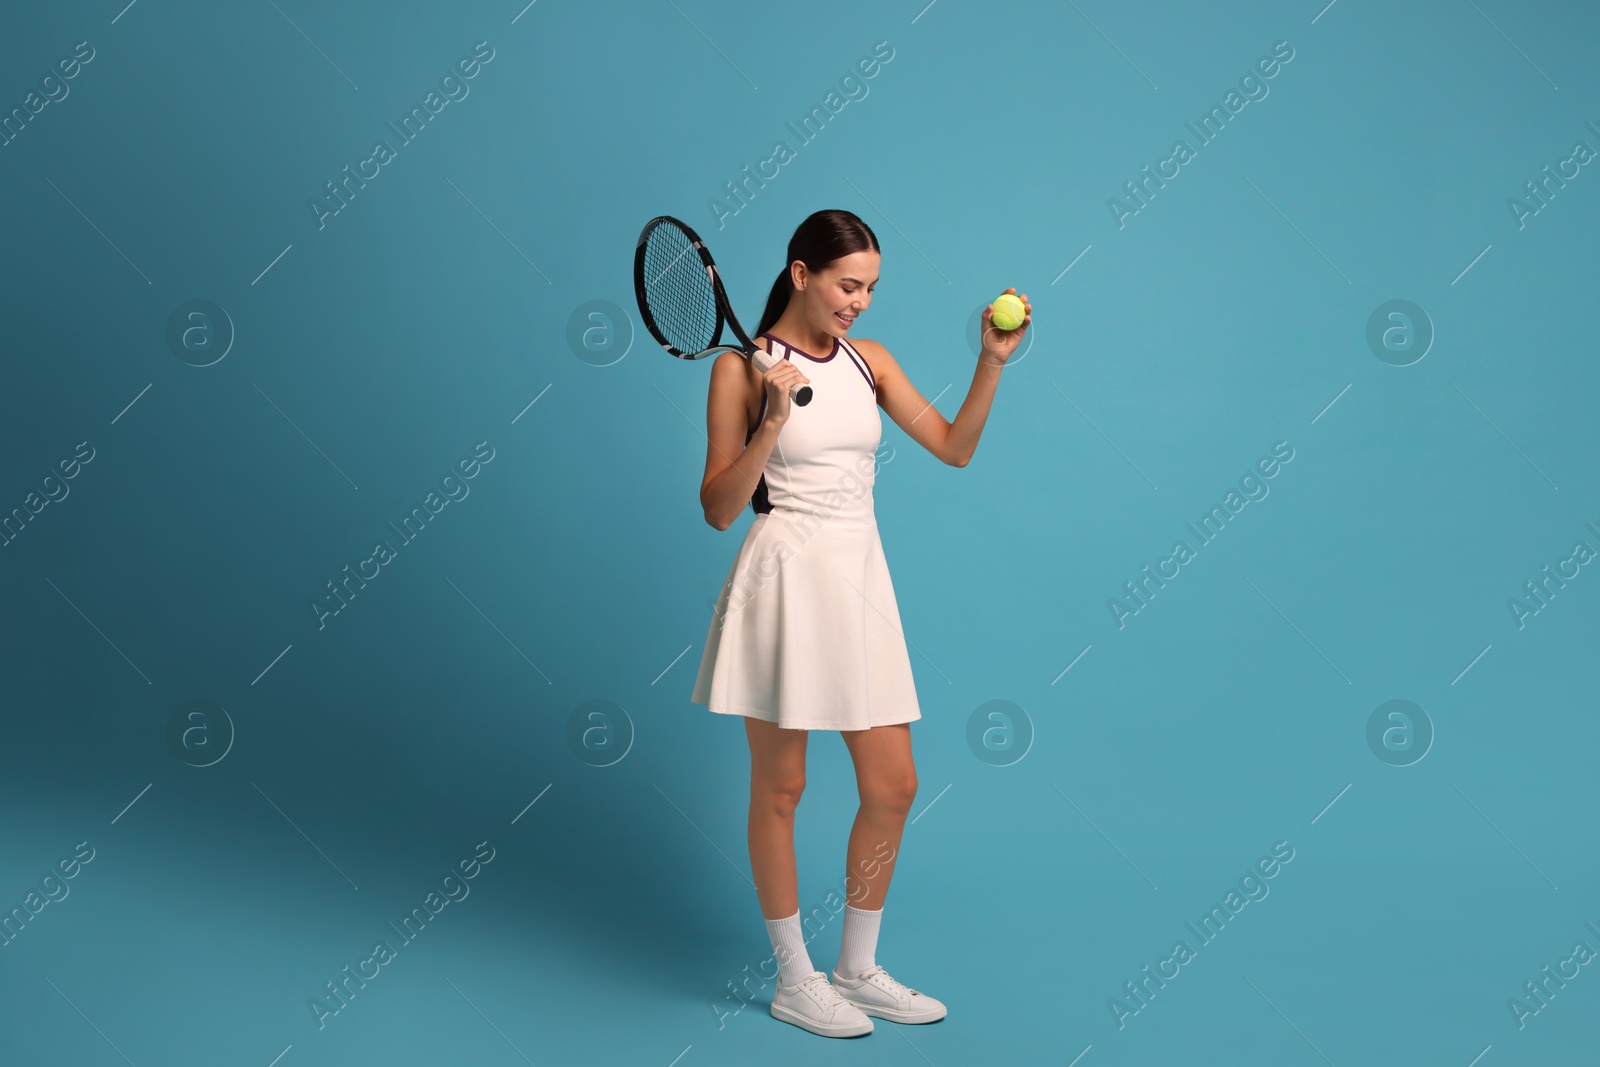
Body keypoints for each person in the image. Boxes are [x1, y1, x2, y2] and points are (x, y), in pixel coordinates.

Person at [689, 208, 1030, 1038]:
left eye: (872, 287)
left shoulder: (867, 361)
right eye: (849, 284)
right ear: (801, 273)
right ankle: (794, 978)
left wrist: (989, 363)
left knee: (894, 784)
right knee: (783, 787)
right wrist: (771, 420)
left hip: (860, 580)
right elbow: (718, 509)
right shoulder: (740, 370)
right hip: (782, 579)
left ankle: (857, 967)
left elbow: (953, 447)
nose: (862, 302)